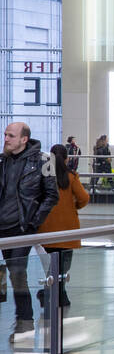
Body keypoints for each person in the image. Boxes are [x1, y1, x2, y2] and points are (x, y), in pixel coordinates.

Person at [1, 122, 58, 339]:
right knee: (11, 273)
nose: (6, 139)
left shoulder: (45, 160)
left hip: (23, 227)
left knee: (17, 272)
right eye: (5, 135)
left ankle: (24, 321)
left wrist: (34, 221)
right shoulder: (2, 161)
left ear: (24, 139)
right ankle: (23, 320)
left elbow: (52, 195)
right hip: (3, 226)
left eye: (11, 136)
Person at [35, 143, 89, 311]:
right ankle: (59, 294)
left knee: (50, 266)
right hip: (67, 229)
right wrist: (74, 208)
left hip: (46, 229)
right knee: (63, 268)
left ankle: (50, 293)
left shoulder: (43, 175)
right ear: (67, 158)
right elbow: (83, 198)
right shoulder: (71, 176)